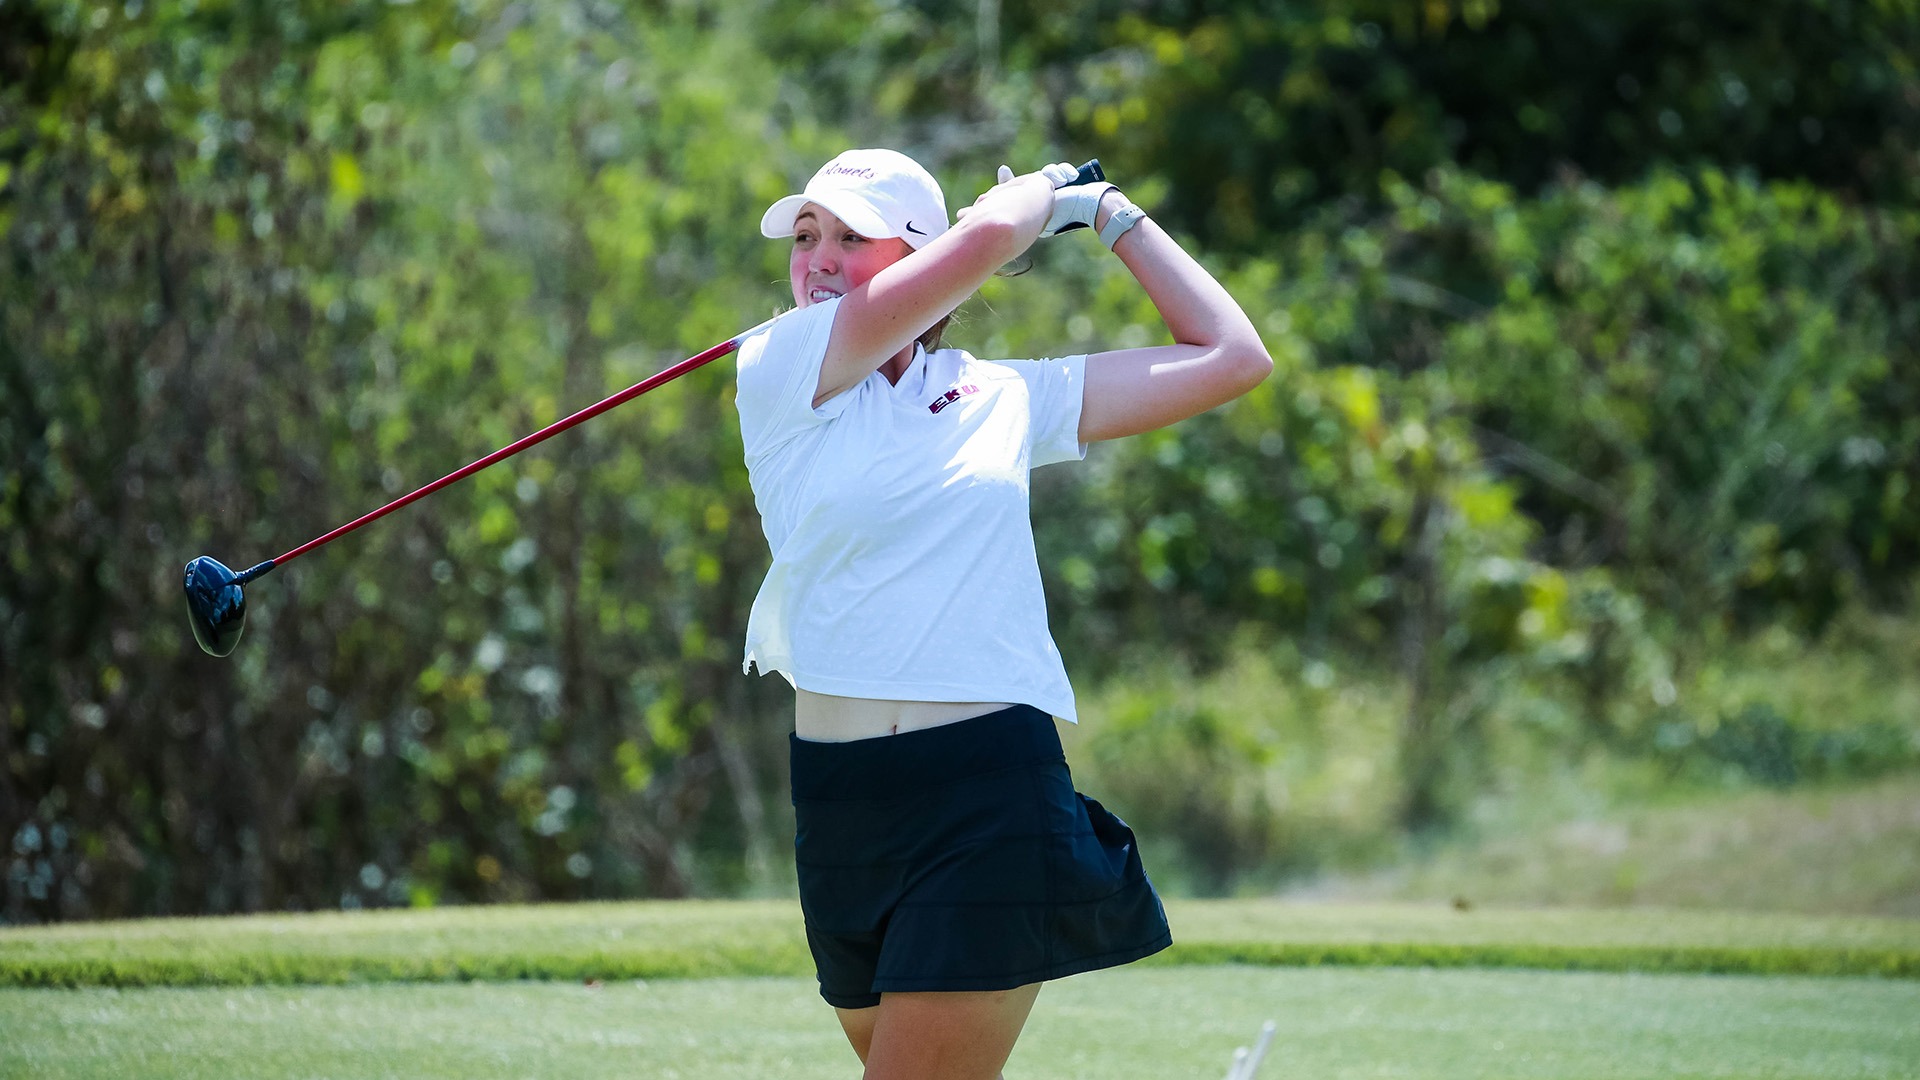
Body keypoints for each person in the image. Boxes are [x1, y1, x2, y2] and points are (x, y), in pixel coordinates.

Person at [733, 148, 1272, 1080]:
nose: (816, 257)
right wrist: (1031, 202)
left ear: (915, 253)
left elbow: (1231, 357)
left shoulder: (1004, 395)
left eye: (850, 237)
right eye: (805, 236)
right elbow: (991, 234)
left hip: (986, 793)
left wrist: (1102, 211)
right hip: (837, 806)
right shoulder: (778, 364)